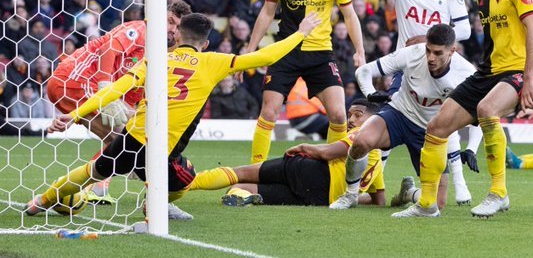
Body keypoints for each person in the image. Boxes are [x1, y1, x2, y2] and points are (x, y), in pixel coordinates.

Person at [25, 12, 322, 219]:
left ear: (178, 35)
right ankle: (155, 208)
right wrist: (301, 32)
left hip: (132, 138)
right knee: (186, 180)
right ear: (205, 43)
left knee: (93, 173)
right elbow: (267, 57)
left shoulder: (155, 59)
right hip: (162, 150)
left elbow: (115, 89)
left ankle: (40, 202)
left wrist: (72, 114)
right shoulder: (213, 61)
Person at [392, 0, 533, 219]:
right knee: (436, 127)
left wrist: (529, 78)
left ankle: (498, 193)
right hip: (488, 72)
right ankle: (426, 204)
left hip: (516, 71)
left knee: (487, 109)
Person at [358, 0, 476, 179]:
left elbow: (464, 29)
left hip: (442, 64)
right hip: (407, 66)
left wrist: (428, 38)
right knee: (389, 115)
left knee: (448, 118)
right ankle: (374, 182)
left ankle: (457, 181)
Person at [45, 1, 192, 204]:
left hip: (81, 88)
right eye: (169, 21)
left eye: (177, 26)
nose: (172, 29)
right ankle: (79, 187)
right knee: (125, 140)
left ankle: (88, 189)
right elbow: (109, 47)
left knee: (124, 140)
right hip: (75, 79)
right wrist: (105, 84)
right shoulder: (141, 29)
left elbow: (134, 94)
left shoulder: (158, 54)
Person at [244, 0, 365, 164]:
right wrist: (249, 50)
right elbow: (267, 12)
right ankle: (255, 172)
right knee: (268, 111)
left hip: (320, 52)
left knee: (340, 114)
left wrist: (360, 51)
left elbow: (349, 14)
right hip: (286, 50)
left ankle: (333, 173)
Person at [329, 24, 480, 212]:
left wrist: (472, 149)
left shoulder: (466, 74)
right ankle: (350, 195)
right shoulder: (412, 53)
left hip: (430, 132)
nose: (431, 58)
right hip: (399, 113)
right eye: (428, 50)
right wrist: (370, 93)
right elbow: (364, 71)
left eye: (438, 53)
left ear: (452, 51)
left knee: (436, 204)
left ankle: (408, 192)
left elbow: (480, 113)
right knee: (361, 141)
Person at [189, 98, 385, 206]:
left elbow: (327, 153)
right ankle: (242, 197)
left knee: (240, 173)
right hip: (320, 199)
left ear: (373, 120)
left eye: (357, 116)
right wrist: (346, 197)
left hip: (311, 171)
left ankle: (185, 183)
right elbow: (379, 201)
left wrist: (303, 148)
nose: (351, 120)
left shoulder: (361, 135)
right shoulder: (379, 161)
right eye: (350, 115)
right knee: (243, 187)